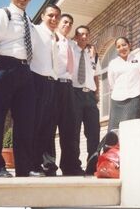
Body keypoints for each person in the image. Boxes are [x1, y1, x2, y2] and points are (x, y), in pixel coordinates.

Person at [0, 0, 38, 177]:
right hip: (2, 68)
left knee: (25, 121)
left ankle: (24, 168)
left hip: (24, 71)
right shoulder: (1, 14)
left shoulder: (29, 21)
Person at [30, 3, 61, 176]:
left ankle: (47, 165)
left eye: (57, 16)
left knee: (48, 128)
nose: (54, 19)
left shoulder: (53, 37)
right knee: (37, 125)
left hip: (52, 83)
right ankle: (33, 165)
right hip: (37, 81)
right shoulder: (35, 31)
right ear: (42, 16)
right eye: (50, 15)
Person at [52, 13, 85, 176]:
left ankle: (70, 165)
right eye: (65, 22)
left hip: (69, 87)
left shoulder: (71, 44)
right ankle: (48, 165)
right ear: (58, 23)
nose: (67, 25)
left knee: (70, 129)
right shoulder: (52, 39)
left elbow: (83, 48)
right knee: (49, 127)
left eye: (70, 23)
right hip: (53, 85)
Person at [71, 25, 102, 175]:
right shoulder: (70, 50)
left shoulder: (93, 54)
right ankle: (75, 166)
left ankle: (92, 166)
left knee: (94, 132)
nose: (84, 37)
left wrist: (97, 94)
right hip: (74, 94)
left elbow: (96, 75)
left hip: (90, 95)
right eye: (80, 34)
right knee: (74, 131)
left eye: (86, 34)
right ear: (76, 37)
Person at [107, 37, 140, 131]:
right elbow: (111, 82)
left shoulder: (138, 57)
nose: (122, 48)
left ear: (129, 45)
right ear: (116, 49)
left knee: (133, 128)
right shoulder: (113, 63)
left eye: (124, 45)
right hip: (117, 100)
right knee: (116, 130)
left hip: (135, 98)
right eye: (118, 46)